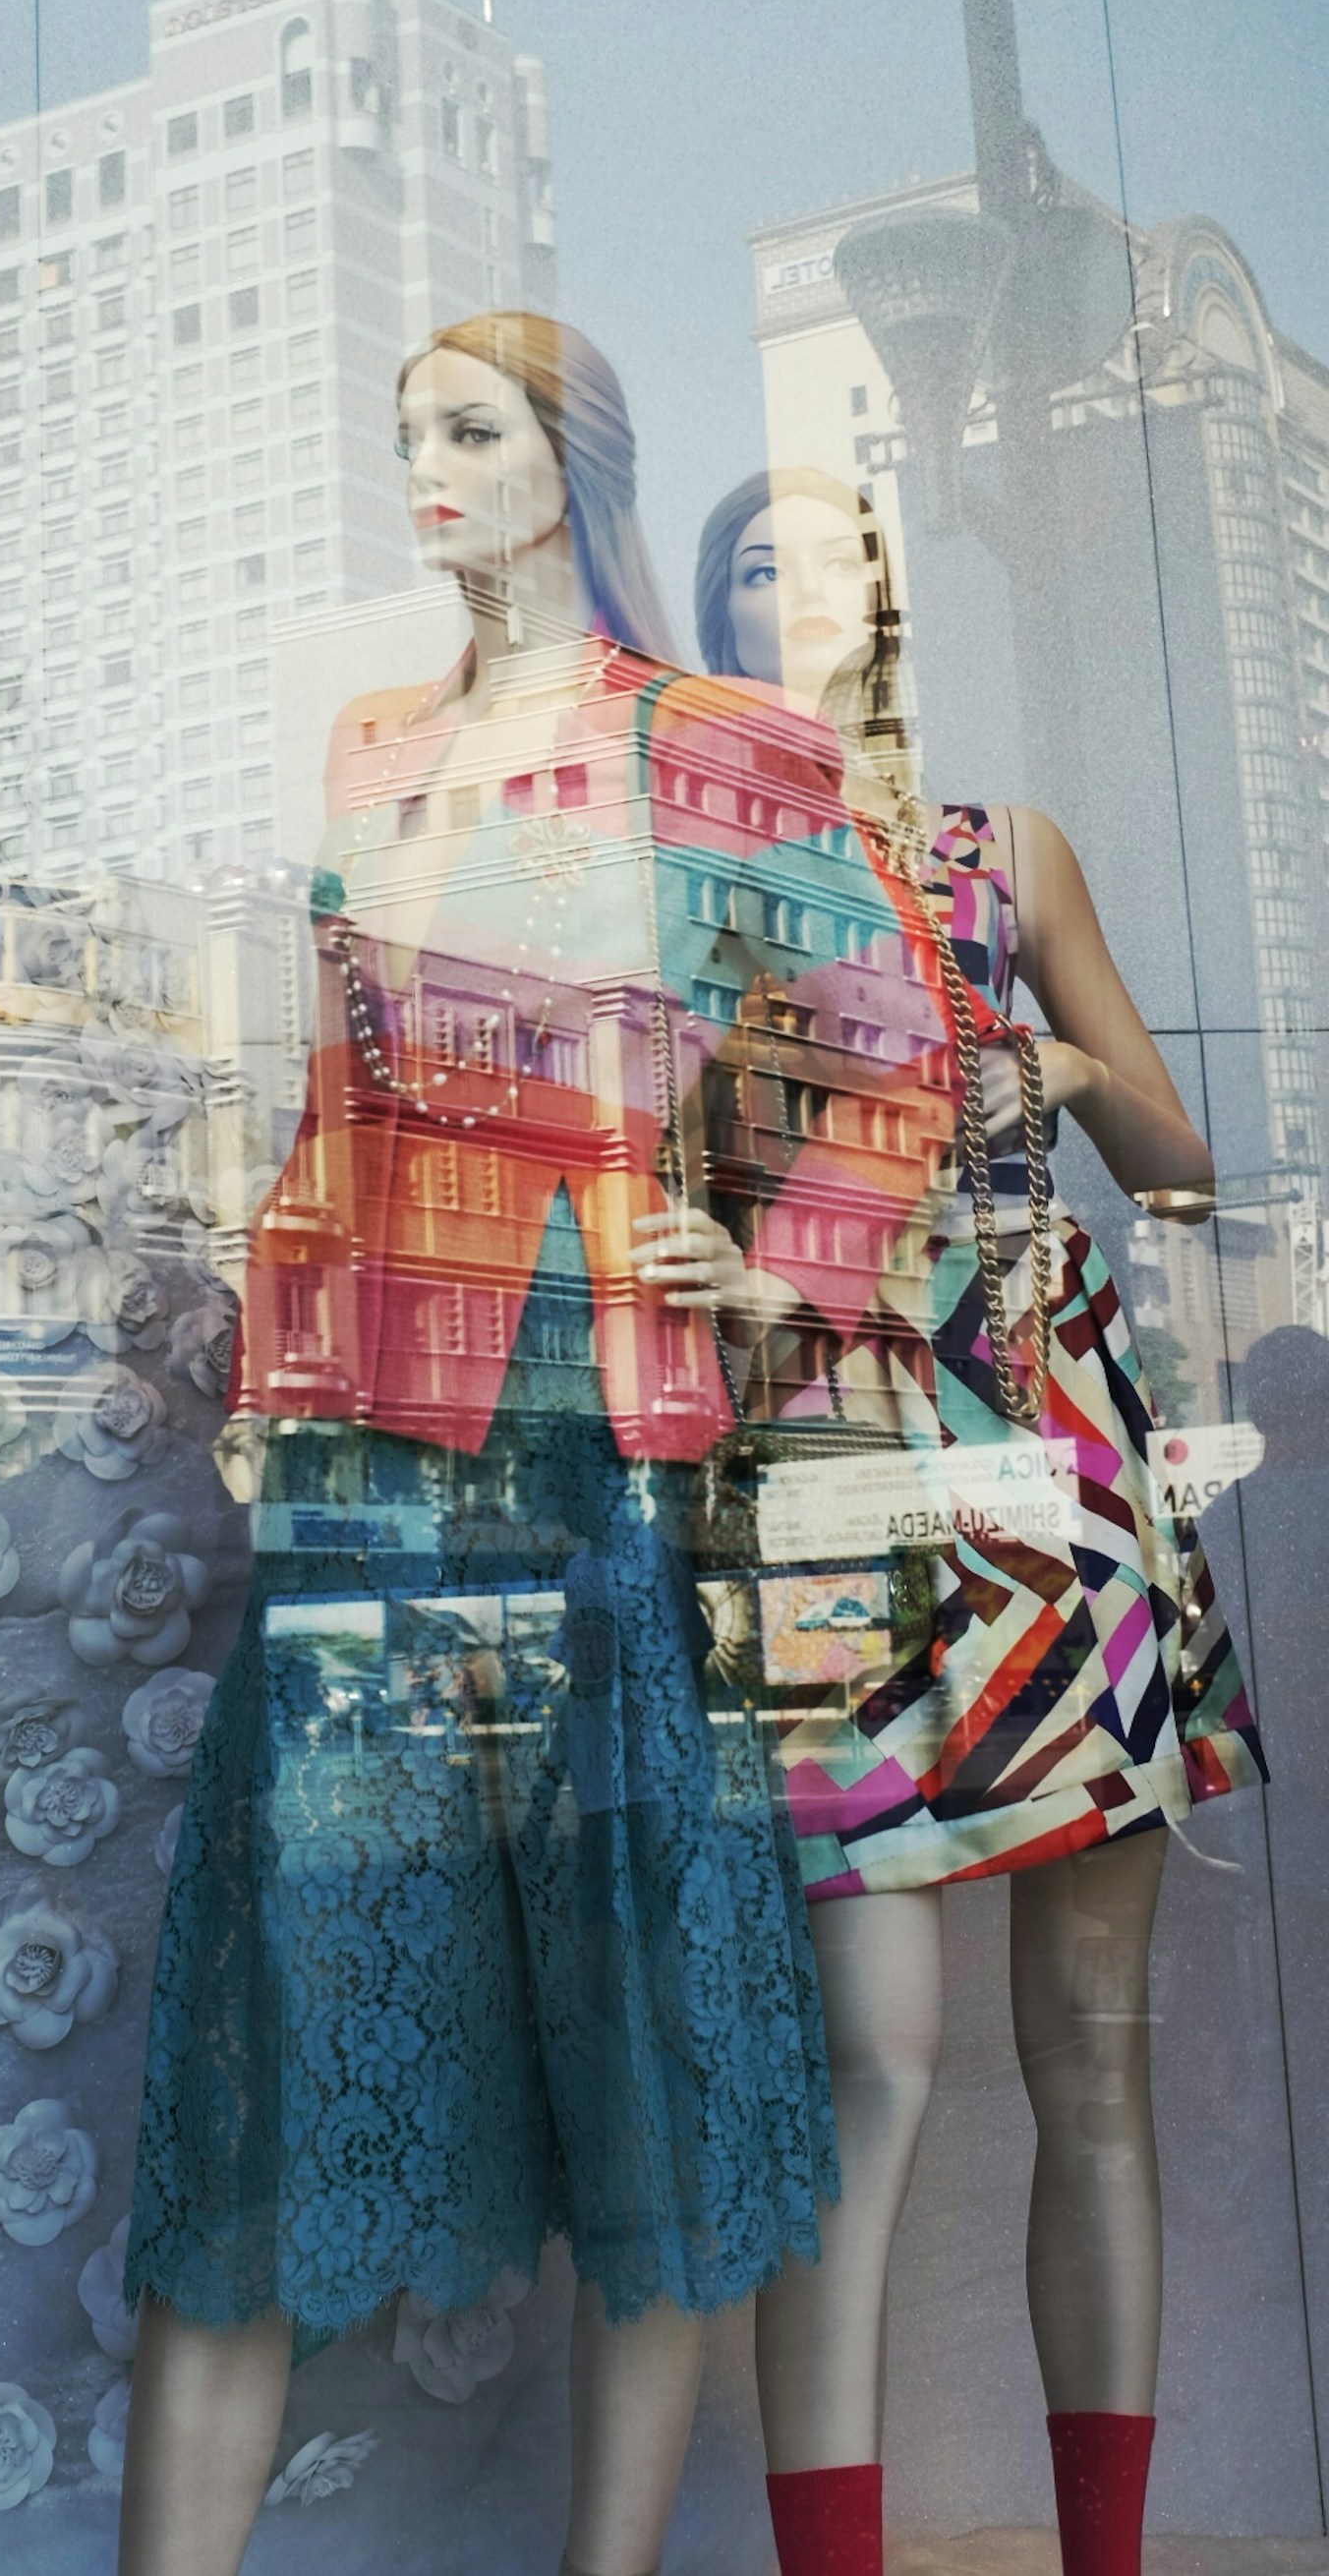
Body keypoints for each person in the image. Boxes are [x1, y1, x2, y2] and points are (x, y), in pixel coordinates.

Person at [116, 330, 961, 2576]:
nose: (424, 471)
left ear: (572, 465)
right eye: (400, 433)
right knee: (289, 1977)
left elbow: (893, 1053)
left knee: (635, 1990)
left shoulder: (719, 752)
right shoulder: (375, 746)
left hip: (610, 1410)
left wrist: (781, 1260)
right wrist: (273, 1361)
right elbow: (334, 1099)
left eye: (467, 433)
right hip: (382, 1432)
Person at [673, 468, 1268, 2576]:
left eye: (831, 552)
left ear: (890, 600)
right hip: (826, 1478)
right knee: (869, 2075)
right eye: (754, 561)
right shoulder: (684, 880)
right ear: (714, 615)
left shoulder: (1003, 855)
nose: (797, 588)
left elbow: (1181, 1161)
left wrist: (1056, 1064)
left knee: (1090, 2053)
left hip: (1058, 1461)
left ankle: (1103, 2559)